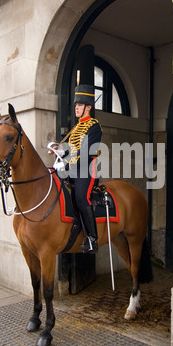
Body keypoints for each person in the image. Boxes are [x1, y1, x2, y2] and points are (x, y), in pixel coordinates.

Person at [62, 84, 102, 253]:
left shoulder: (94, 126)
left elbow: (87, 153)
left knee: (80, 197)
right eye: (76, 105)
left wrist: (69, 164)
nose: (76, 108)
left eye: (79, 105)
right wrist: (61, 156)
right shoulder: (76, 128)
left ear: (88, 107)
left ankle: (92, 238)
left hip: (86, 170)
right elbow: (70, 150)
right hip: (73, 168)